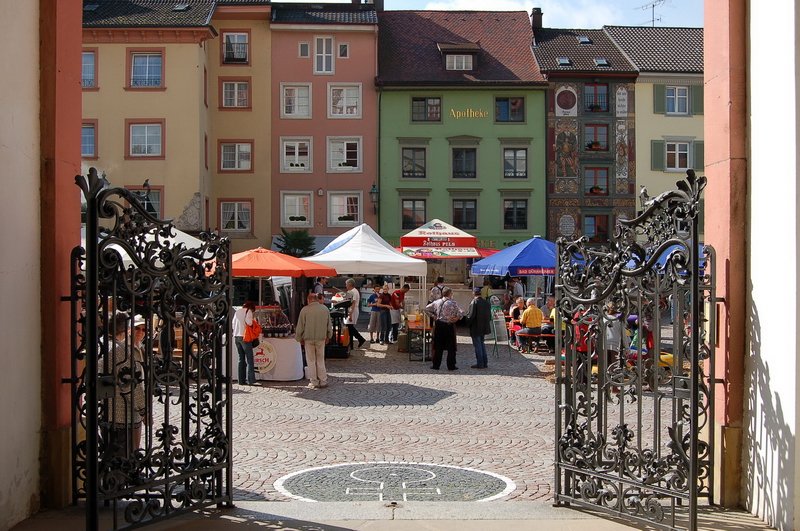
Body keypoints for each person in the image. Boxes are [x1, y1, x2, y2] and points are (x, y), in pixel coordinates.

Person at [101, 312, 147, 457]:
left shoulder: (100, 344)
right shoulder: (119, 350)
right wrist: (143, 410)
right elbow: (130, 384)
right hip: (122, 414)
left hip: (105, 411)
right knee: (124, 458)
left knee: (111, 456)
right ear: (126, 329)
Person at [295, 292, 333, 389]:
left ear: (309, 300)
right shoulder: (325, 309)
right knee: (320, 359)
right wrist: (329, 336)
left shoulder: (305, 310)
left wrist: (299, 338)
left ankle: (314, 382)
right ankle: (323, 381)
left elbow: (300, 326)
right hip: (321, 339)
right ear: (316, 299)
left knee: (311, 360)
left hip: (308, 339)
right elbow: (329, 325)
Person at [424, 287, 463, 371]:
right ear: (450, 294)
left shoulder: (437, 302)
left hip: (439, 325)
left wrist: (434, 316)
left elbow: (426, 309)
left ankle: (436, 365)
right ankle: (451, 365)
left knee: (438, 346)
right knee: (451, 347)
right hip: (449, 325)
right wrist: (457, 318)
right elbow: (461, 313)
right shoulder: (453, 303)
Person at [465, 287, 492, 369]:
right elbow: (489, 316)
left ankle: (480, 363)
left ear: (473, 293)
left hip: (476, 327)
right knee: (482, 344)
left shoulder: (474, 302)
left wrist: (466, 322)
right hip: (484, 327)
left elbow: (471, 316)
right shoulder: (486, 302)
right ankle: (485, 362)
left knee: (478, 345)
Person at [232, 300, 257, 385]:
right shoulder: (248, 311)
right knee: (250, 359)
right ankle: (251, 380)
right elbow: (249, 323)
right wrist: (253, 321)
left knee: (241, 359)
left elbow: (233, 324)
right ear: (251, 307)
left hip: (236, 336)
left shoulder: (237, 311)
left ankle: (241, 380)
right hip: (245, 337)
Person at [343, 278, 366, 350]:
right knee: (350, 327)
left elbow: (353, 303)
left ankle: (360, 339)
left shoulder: (353, 292)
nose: (346, 285)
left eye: (346, 284)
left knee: (350, 327)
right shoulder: (352, 291)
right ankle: (352, 344)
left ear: (349, 284)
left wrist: (350, 314)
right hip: (352, 310)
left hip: (353, 310)